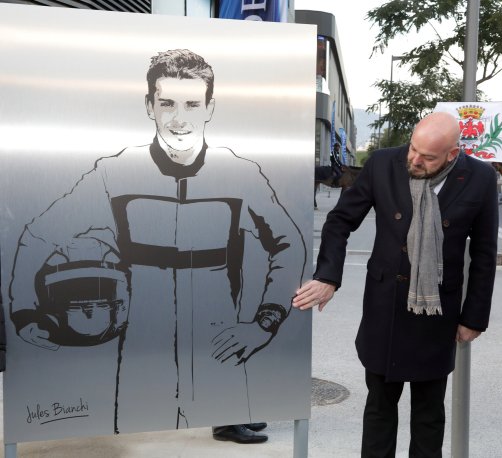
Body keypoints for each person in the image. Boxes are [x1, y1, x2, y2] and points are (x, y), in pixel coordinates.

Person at [9, 49, 305, 437]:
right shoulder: (114, 173)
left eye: (192, 104)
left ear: (209, 108)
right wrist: (26, 311)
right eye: (166, 103)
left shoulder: (240, 173)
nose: (179, 118)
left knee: (223, 394)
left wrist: (266, 322)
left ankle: (228, 419)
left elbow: (289, 243)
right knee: (136, 418)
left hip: (217, 329)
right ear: (149, 105)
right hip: (141, 332)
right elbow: (39, 234)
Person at [293, 112, 498, 457]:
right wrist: (328, 275)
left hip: (437, 311)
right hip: (386, 306)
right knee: (379, 408)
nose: (415, 160)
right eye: (413, 149)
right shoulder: (384, 163)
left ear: (452, 153)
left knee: (429, 414)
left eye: (428, 157)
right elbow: (341, 220)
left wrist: (473, 317)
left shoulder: (480, 177)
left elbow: (484, 253)